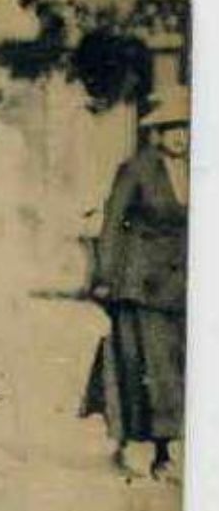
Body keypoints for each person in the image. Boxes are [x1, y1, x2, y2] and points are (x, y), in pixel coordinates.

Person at [81, 90, 188, 480]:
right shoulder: (138, 169)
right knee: (143, 367)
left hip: (180, 288)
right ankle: (133, 445)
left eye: (185, 129)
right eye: (172, 129)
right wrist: (106, 277)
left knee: (173, 370)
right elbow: (112, 224)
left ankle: (164, 451)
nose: (180, 137)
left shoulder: (196, 169)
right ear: (157, 133)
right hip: (141, 286)